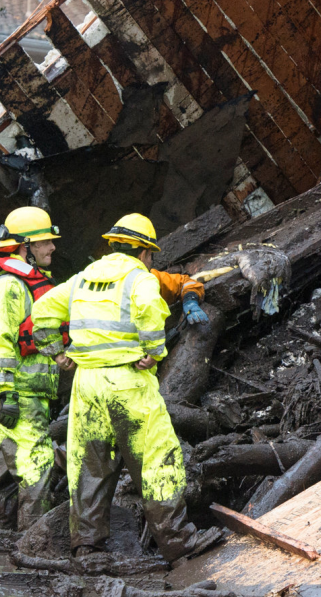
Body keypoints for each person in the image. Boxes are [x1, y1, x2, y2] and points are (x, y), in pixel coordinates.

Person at [32, 214, 220, 564]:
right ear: (144, 252)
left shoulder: (82, 279)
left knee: (90, 464)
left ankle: (87, 547)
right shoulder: (139, 278)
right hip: (127, 380)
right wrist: (154, 352)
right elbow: (150, 312)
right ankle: (178, 543)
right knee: (156, 460)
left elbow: (41, 311)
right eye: (151, 254)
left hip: (87, 384)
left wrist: (56, 353)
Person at [0, 207, 68, 529]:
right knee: (36, 464)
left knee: (1, 469)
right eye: (44, 242)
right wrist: (7, 392)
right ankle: (37, 543)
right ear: (25, 247)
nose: (52, 247)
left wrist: (59, 355)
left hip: (28, 391)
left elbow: (39, 333)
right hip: (18, 393)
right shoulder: (9, 286)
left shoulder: (31, 283)